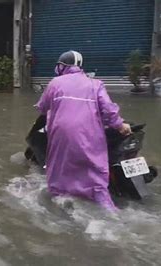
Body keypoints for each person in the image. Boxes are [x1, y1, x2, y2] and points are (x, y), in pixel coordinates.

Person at [35, 51, 131, 211]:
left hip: (61, 135)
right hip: (90, 135)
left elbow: (42, 107)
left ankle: (58, 204)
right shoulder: (95, 84)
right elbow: (108, 110)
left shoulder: (55, 83)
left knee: (58, 170)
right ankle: (110, 212)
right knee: (96, 174)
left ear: (62, 66)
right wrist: (121, 125)